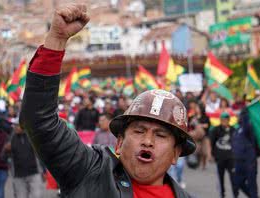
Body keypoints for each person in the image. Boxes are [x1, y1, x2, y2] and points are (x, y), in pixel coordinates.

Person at [19, 4, 197, 197]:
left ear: (176, 153)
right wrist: (56, 39)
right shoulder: (89, 171)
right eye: (139, 131)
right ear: (119, 142)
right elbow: (39, 120)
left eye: (161, 135)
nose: (147, 141)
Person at [4, 121, 44, 198]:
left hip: (34, 173)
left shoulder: (32, 137)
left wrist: (44, 171)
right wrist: (6, 150)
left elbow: (41, 154)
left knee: (37, 195)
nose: (16, 127)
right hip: (18, 175)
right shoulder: (11, 138)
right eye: (15, 126)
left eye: (18, 126)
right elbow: (3, 157)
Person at [232, 108, 259, 198]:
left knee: (252, 185)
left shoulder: (248, 128)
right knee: (238, 182)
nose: (238, 117)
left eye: (239, 116)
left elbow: (246, 125)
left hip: (249, 161)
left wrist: (244, 113)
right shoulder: (237, 129)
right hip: (239, 162)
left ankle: (254, 196)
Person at [209, 112, 237, 198]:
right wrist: (212, 155)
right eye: (222, 120)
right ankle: (222, 195)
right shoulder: (216, 130)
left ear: (229, 120)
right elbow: (212, 143)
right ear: (220, 120)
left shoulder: (233, 130)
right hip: (220, 158)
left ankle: (235, 195)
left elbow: (237, 143)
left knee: (233, 178)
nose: (224, 121)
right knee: (220, 178)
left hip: (231, 158)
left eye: (226, 120)